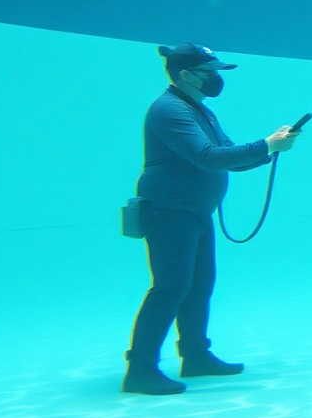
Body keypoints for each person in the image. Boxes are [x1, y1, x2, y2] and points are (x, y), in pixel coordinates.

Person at [122, 43, 301, 395]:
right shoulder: (169, 110)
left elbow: (228, 156)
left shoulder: (197, 110)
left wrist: (271, 148)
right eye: (211, 72)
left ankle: (195, 356)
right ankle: (140, 369)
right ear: (186, 75)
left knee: (199, 286)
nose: (217, 79)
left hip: (194, 213)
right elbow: (206, 157)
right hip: (171, 213)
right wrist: (266, 145)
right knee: (170, 288)